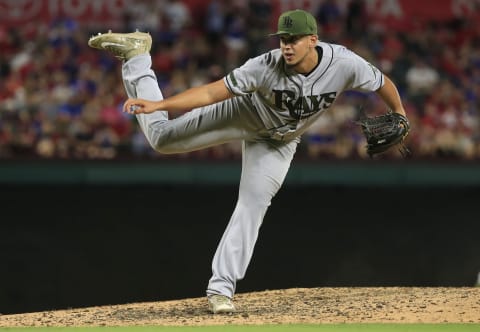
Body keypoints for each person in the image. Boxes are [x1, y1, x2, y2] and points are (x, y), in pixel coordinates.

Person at [88, 9, 408, 314]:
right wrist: (161, 103)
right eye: (283, 39)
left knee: (253, 203)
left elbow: (383, 83)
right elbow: (213, 93)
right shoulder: (265, 65)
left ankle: (221, 291)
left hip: (279, 142)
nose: (287, 45)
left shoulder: (344, 63)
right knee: (161, 138)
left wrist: (400, 114)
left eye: (293, 39)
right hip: (244, 114)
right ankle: (138, 56)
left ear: (313, 39)